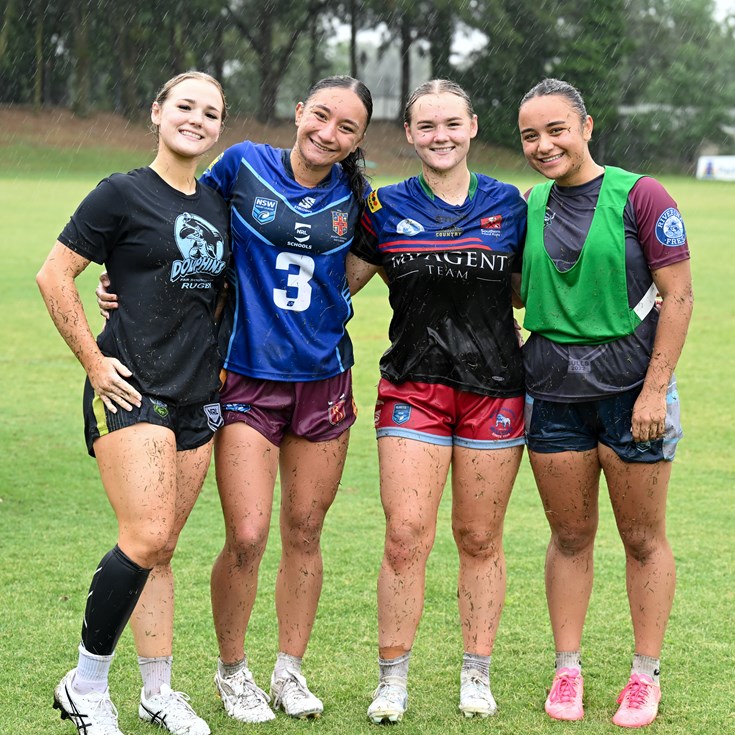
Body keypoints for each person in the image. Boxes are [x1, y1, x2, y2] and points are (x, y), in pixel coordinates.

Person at [100, 75, 374, 722]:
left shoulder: (360, 199)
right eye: (321, 116)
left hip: (324, 380)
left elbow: (366, 269)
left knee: (305, 532)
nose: (327, 133)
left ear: (359, 139)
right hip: (245, 376)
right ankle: (233, 672)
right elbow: (180, 222)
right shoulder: (243, 164)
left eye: (347, 128)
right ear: (300, 109)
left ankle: (289, 670)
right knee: (247, 534)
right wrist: (127, 281)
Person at [37, 72, 230, 735]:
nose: (195, 119)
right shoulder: (121, 192)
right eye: (184, 106)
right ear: (156, 111)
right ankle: (85, 683)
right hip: (128, 386)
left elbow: (212, 294)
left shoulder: (216, 203)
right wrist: (94, 359)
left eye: (210, 112)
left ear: (219, 127)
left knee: (163, 547)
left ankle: (156, 691)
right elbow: (54, 272)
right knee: (145, 534)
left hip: (196, 394)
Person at [347, 79, 527, 723]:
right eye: (427, 126)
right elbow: (333, 285)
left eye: (452, 123)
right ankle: (392, 679)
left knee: (479, 537)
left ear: (473, 126)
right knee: (405, 537)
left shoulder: (511, 204)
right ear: (410, 133)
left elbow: (532, 290)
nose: (441, 136)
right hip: (413, 388)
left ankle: (475, 674)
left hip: (495, 389)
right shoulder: (383, 206)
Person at [517, 78, 693, 728]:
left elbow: (676, 294)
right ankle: (567, 669)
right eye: (530, 134)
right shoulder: (529, 203)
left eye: (555, 129)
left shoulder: (640, 195)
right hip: (553, 395)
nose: (543, 144)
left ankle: (643, 676)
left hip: (631, 396)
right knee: (568, 536)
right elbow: (511, 286)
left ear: (585, 126)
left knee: (642, 537)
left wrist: (654, 386)